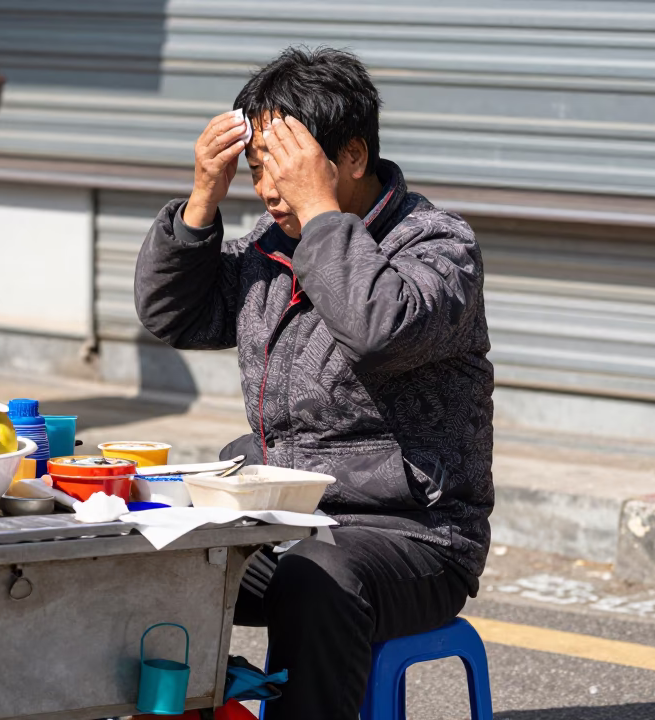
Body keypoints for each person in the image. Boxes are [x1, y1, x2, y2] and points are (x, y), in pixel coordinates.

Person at [133, 47, 494, 717]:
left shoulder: (438, 248)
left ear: (351, 157)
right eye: (256, 168)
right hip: (281, 518)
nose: (269, 190)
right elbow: (171, 315)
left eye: (286, 167)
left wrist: (322, 215)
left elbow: (376, 327)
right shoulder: (271, 249)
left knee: (317, 577)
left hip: (409, 536)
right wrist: (202, 201)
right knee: (142, 558)